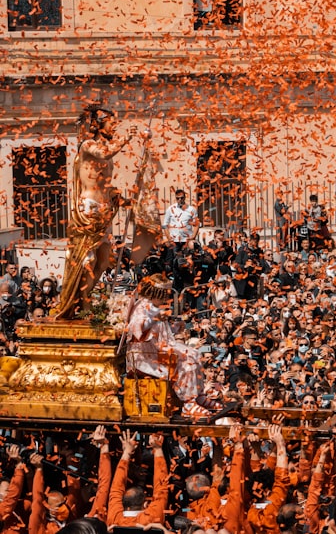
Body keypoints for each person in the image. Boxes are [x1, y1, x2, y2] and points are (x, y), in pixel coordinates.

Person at [51, 105, 135, 319]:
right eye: (111, 123)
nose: (114, 128)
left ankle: (85, 299)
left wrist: (121, 198)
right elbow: (105, 152)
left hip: (104, 210)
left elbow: (104, 184)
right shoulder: (88, 146)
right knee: (87, 261)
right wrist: (127, 138)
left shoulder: (105, 149)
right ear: (98, 125)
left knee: (103, 260)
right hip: (88, 209)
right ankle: (82, 305)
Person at [125, 274, 219, 418]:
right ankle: (188, 404)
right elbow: (137, 329)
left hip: (157, 349)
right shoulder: (142, 307)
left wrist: (175, 328)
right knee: (186, 361)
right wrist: (156, 318)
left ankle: (198, 396)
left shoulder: (154, 306)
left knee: (195, 353)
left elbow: (159, 331)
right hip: (144, 356)